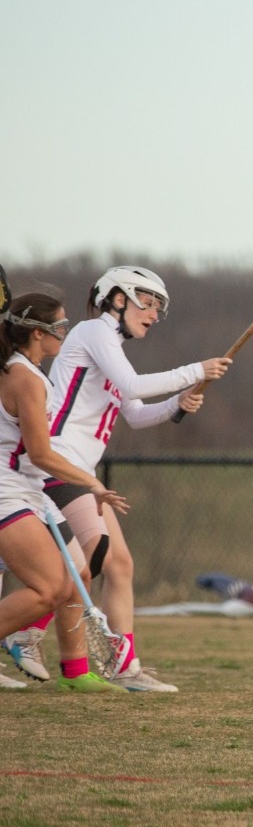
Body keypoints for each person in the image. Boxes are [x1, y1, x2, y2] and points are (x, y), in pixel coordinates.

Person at [4, 267, 225, 692]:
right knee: (92, 560)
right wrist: (198, 369)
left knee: (118, 564)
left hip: (79, 470)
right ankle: (29, 633)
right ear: (117, 299)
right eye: (147, 301)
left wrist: (178, 402)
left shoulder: (111, 350)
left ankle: (124, 668)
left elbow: (138, 413)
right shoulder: (93, 333)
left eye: (159, 306)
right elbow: (133, 383)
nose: (154, 313)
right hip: (59, 463)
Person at [0, 292, 131, 693]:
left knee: (78, 575)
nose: (65, 334)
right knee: (50, 588)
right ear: (37, 334)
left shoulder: (25, 372)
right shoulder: (25, 378)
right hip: (9, 490)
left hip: (30, 490)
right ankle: (17, 636)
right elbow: (40, 453)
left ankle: (75, 673)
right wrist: (91, 483)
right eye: (59, 327)